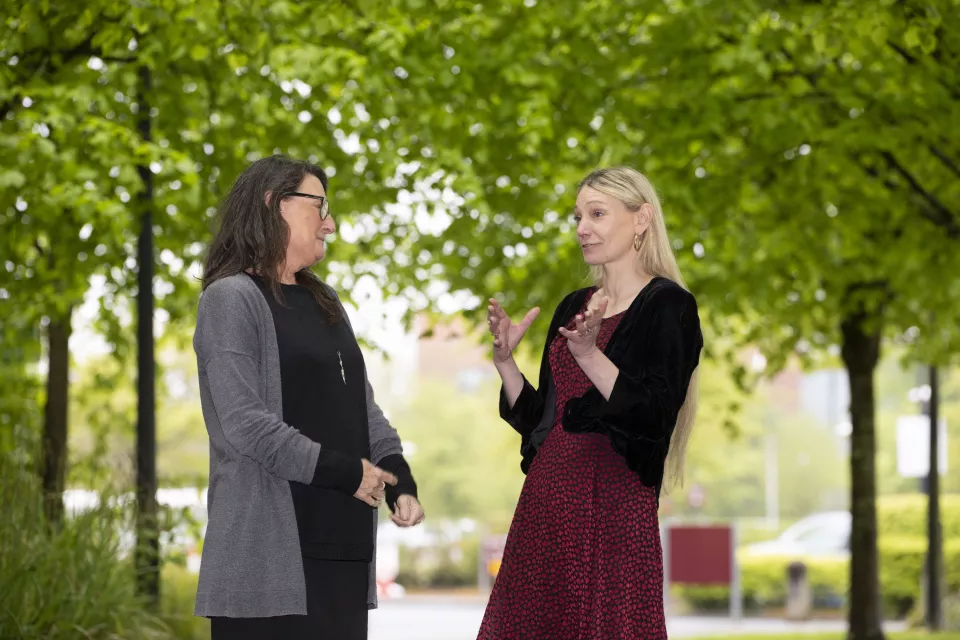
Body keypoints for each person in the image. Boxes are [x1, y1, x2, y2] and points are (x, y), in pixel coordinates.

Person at [192, 154, 424, 639]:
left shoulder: (325, 300)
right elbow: (245, 424)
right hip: (265, 562)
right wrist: (347, 473)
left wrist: (398, 474)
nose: (330, 224)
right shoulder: (230, 299)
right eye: (319, 207)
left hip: (341, 548)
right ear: (274, 204)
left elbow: (363, 408)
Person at [478, 167, 703, 640]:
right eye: (578, 216)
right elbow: (545, 424)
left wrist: (589, 354)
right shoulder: (574, 305)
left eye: (597, 213)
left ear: (641, 218)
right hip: (546, 505)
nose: (582, 227)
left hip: (613, 510)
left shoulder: (668, 305)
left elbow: (654, 417)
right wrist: (505, 363)